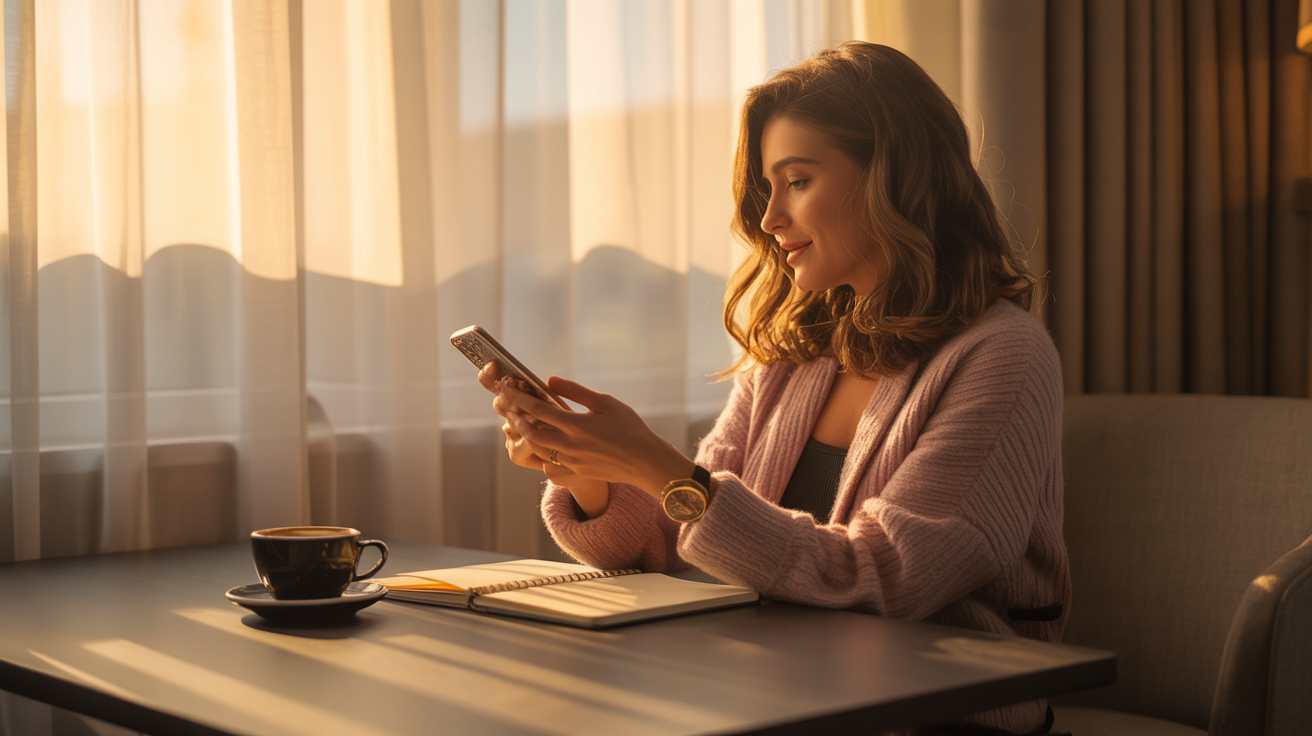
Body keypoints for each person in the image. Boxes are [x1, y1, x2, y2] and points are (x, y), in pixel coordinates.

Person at [479, 42, 1068, 736]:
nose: (769, 218)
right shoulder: (793, 356)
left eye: (797, 180)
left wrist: (657, 464)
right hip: (772, 692)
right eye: (768, 187)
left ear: (894, 177)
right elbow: (678, 545)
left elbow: (887, 578)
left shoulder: (1003, 355)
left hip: (941, 712)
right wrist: (593, 476)